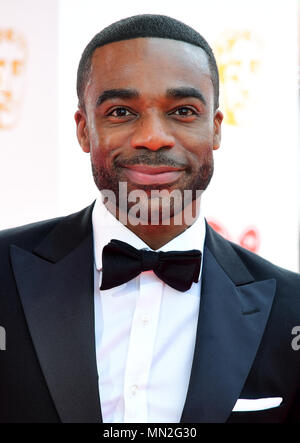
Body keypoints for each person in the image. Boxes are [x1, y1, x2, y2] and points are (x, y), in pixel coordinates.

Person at [0, 14, 299, 424]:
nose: (153, 136)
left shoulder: (292, 308)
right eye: (121, 111)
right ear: (84, 130)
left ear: (215, 129)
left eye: (182, 111)